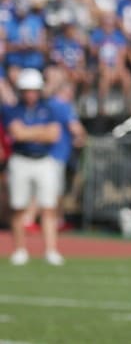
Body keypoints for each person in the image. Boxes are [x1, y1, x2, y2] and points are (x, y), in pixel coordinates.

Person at [3, 69, 63, 266]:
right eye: (27, 90)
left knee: (48, 207)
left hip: (43, 160)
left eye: (33, 90)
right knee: (18, 206)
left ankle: (50, 250)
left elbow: (53, 135)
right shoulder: (12, 110)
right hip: (20, 160)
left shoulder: (49, 109)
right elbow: (17, 134)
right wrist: (39, 132)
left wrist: (28, 131)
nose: (30, 94)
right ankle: (20, 250)